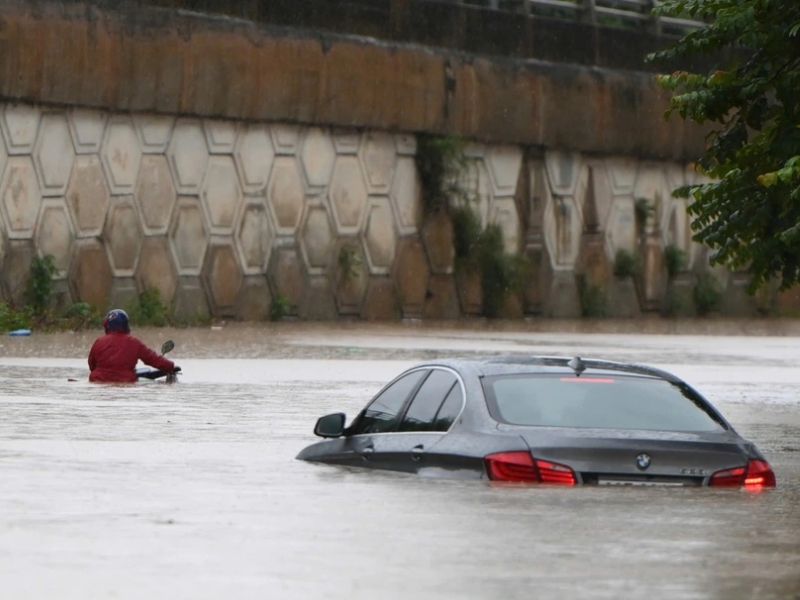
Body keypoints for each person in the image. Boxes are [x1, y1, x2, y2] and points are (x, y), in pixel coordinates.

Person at [88, 309, 178, 383]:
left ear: (107, 326)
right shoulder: (134, 342)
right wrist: (170, 366)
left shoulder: (99, 342)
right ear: (126, 325)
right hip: (126, 382)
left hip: (98, 381)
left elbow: (91, 365)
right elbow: (153, 359)